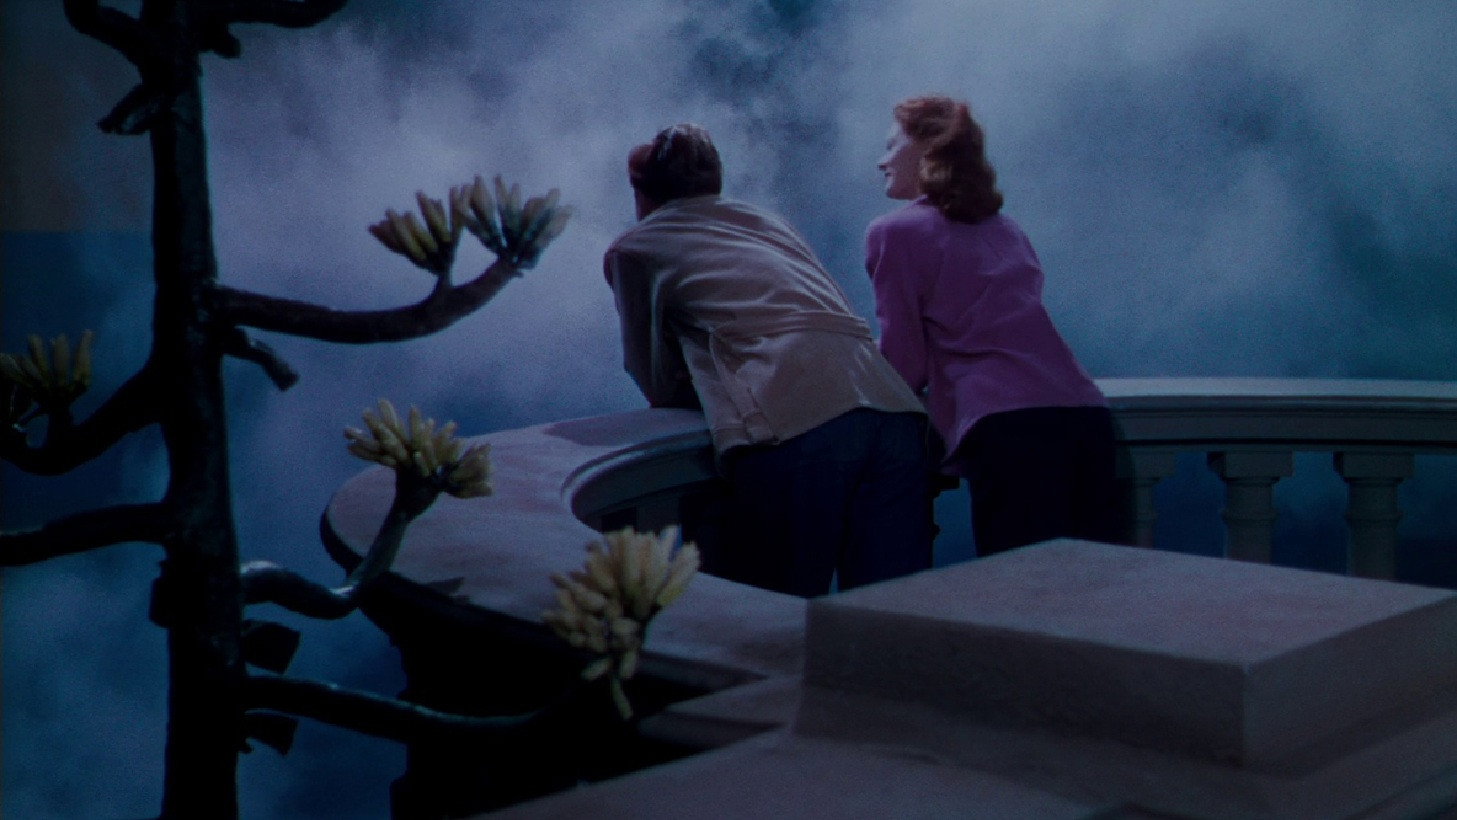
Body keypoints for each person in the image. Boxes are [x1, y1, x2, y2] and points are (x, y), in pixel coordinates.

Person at [604, 123, 934, 597]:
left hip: (793, 420)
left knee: (774, 612)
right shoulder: (768, 224)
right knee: (892, 614)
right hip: (891, 406)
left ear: (642, 191)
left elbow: (651, 376)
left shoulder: (635, 248)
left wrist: (707, 388)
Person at [867, 95, 1123, 557]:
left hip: (1010, 429)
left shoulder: (894, 232)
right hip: (1088, 418)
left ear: (927, 148)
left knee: (1023, 588)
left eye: (890, 146)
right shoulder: (1007, 229)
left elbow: (905, 364)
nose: (881, 161)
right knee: (1096, 587)